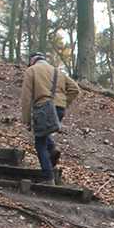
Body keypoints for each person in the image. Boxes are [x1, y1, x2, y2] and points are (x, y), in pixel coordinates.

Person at [20, 52, 80, 184]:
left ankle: (48, 177)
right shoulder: (58, 71)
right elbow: (75, 89)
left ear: (32, 60)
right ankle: (53, 148)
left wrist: (26, 120)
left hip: (43, 109)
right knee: (44, 134)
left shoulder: (32, 70)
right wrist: (63, 103)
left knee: (39, 143)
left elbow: (26, 97)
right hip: (58, 109)